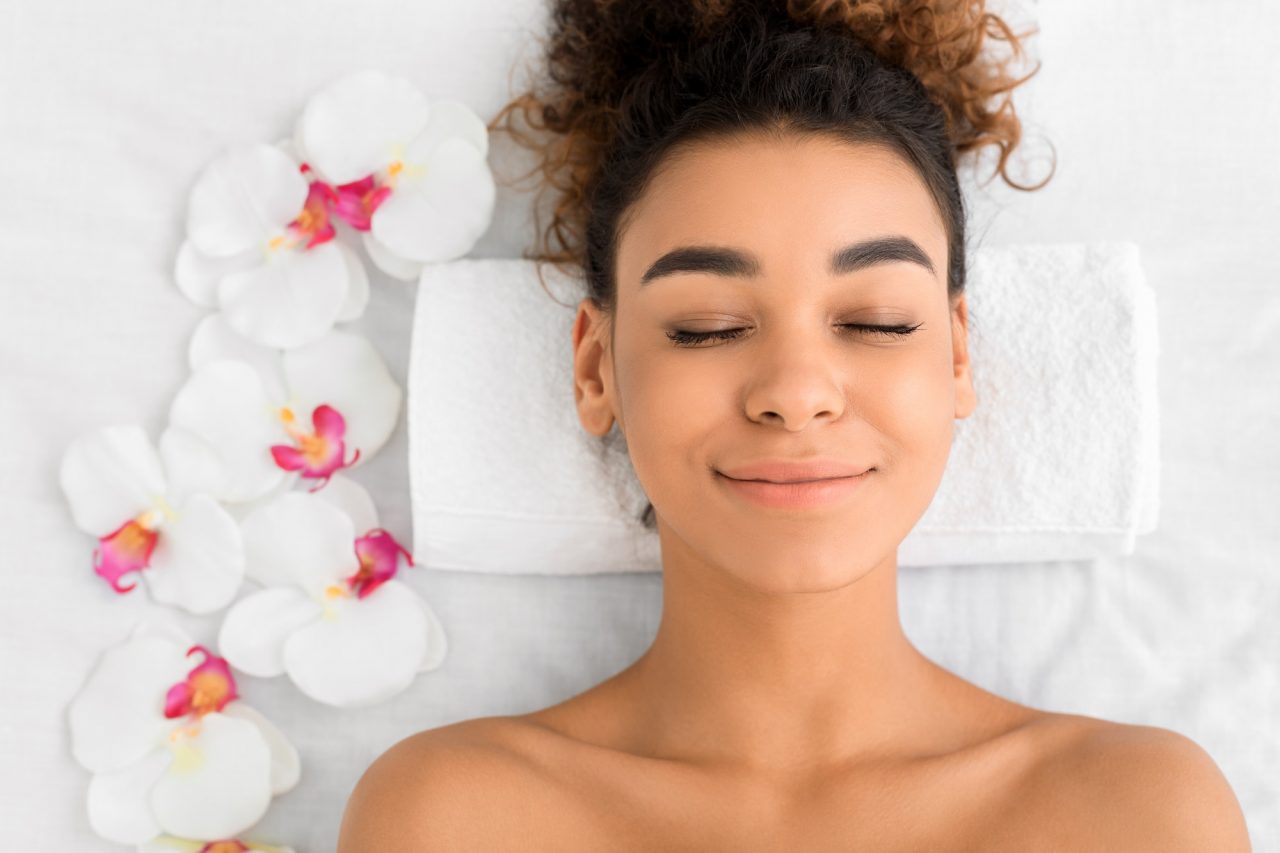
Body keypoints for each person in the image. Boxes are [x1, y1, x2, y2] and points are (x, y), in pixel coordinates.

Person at [338, 0, 1252, 848]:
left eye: (877, 322)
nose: (797, 391)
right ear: (596, 367)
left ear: (957, 356)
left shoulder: (1134, 813)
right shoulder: (458, 816)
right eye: (710, 327)